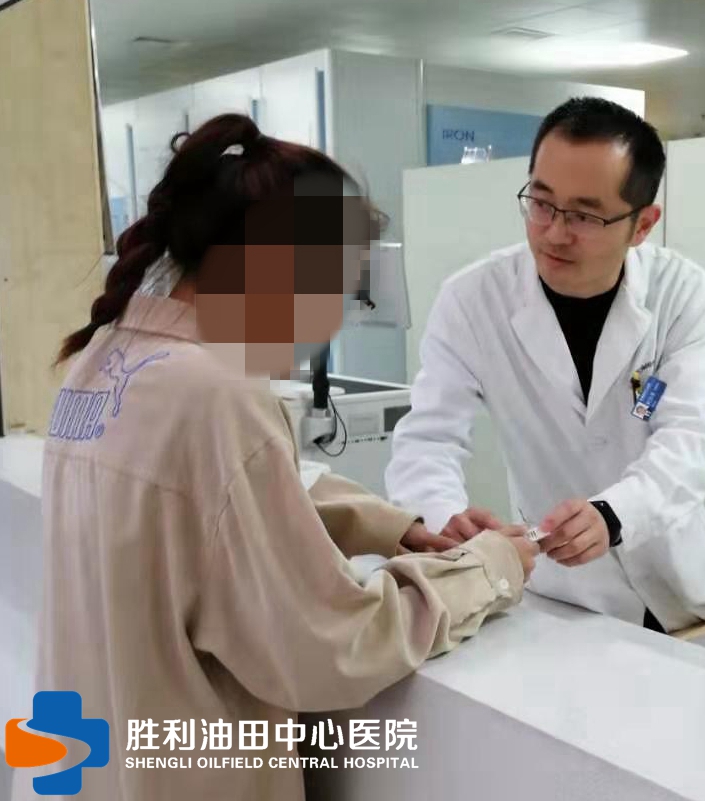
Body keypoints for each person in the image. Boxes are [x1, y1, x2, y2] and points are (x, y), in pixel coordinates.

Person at [16, 114, 537, 801]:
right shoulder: (216, 395)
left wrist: (394, 525)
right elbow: (330, 646)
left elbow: (211, 498)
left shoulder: (105, 359)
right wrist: (487, 571)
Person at [385, 97, 705, 634]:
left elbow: (689, 439)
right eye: (542, 203)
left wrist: (614, 514)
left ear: (643, 224)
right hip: (566, 594)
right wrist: (444, 517)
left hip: (681, 586)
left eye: (585, 216)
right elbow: (428, 439)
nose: (553, 232)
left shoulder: (680, 293)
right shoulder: (474, 299)